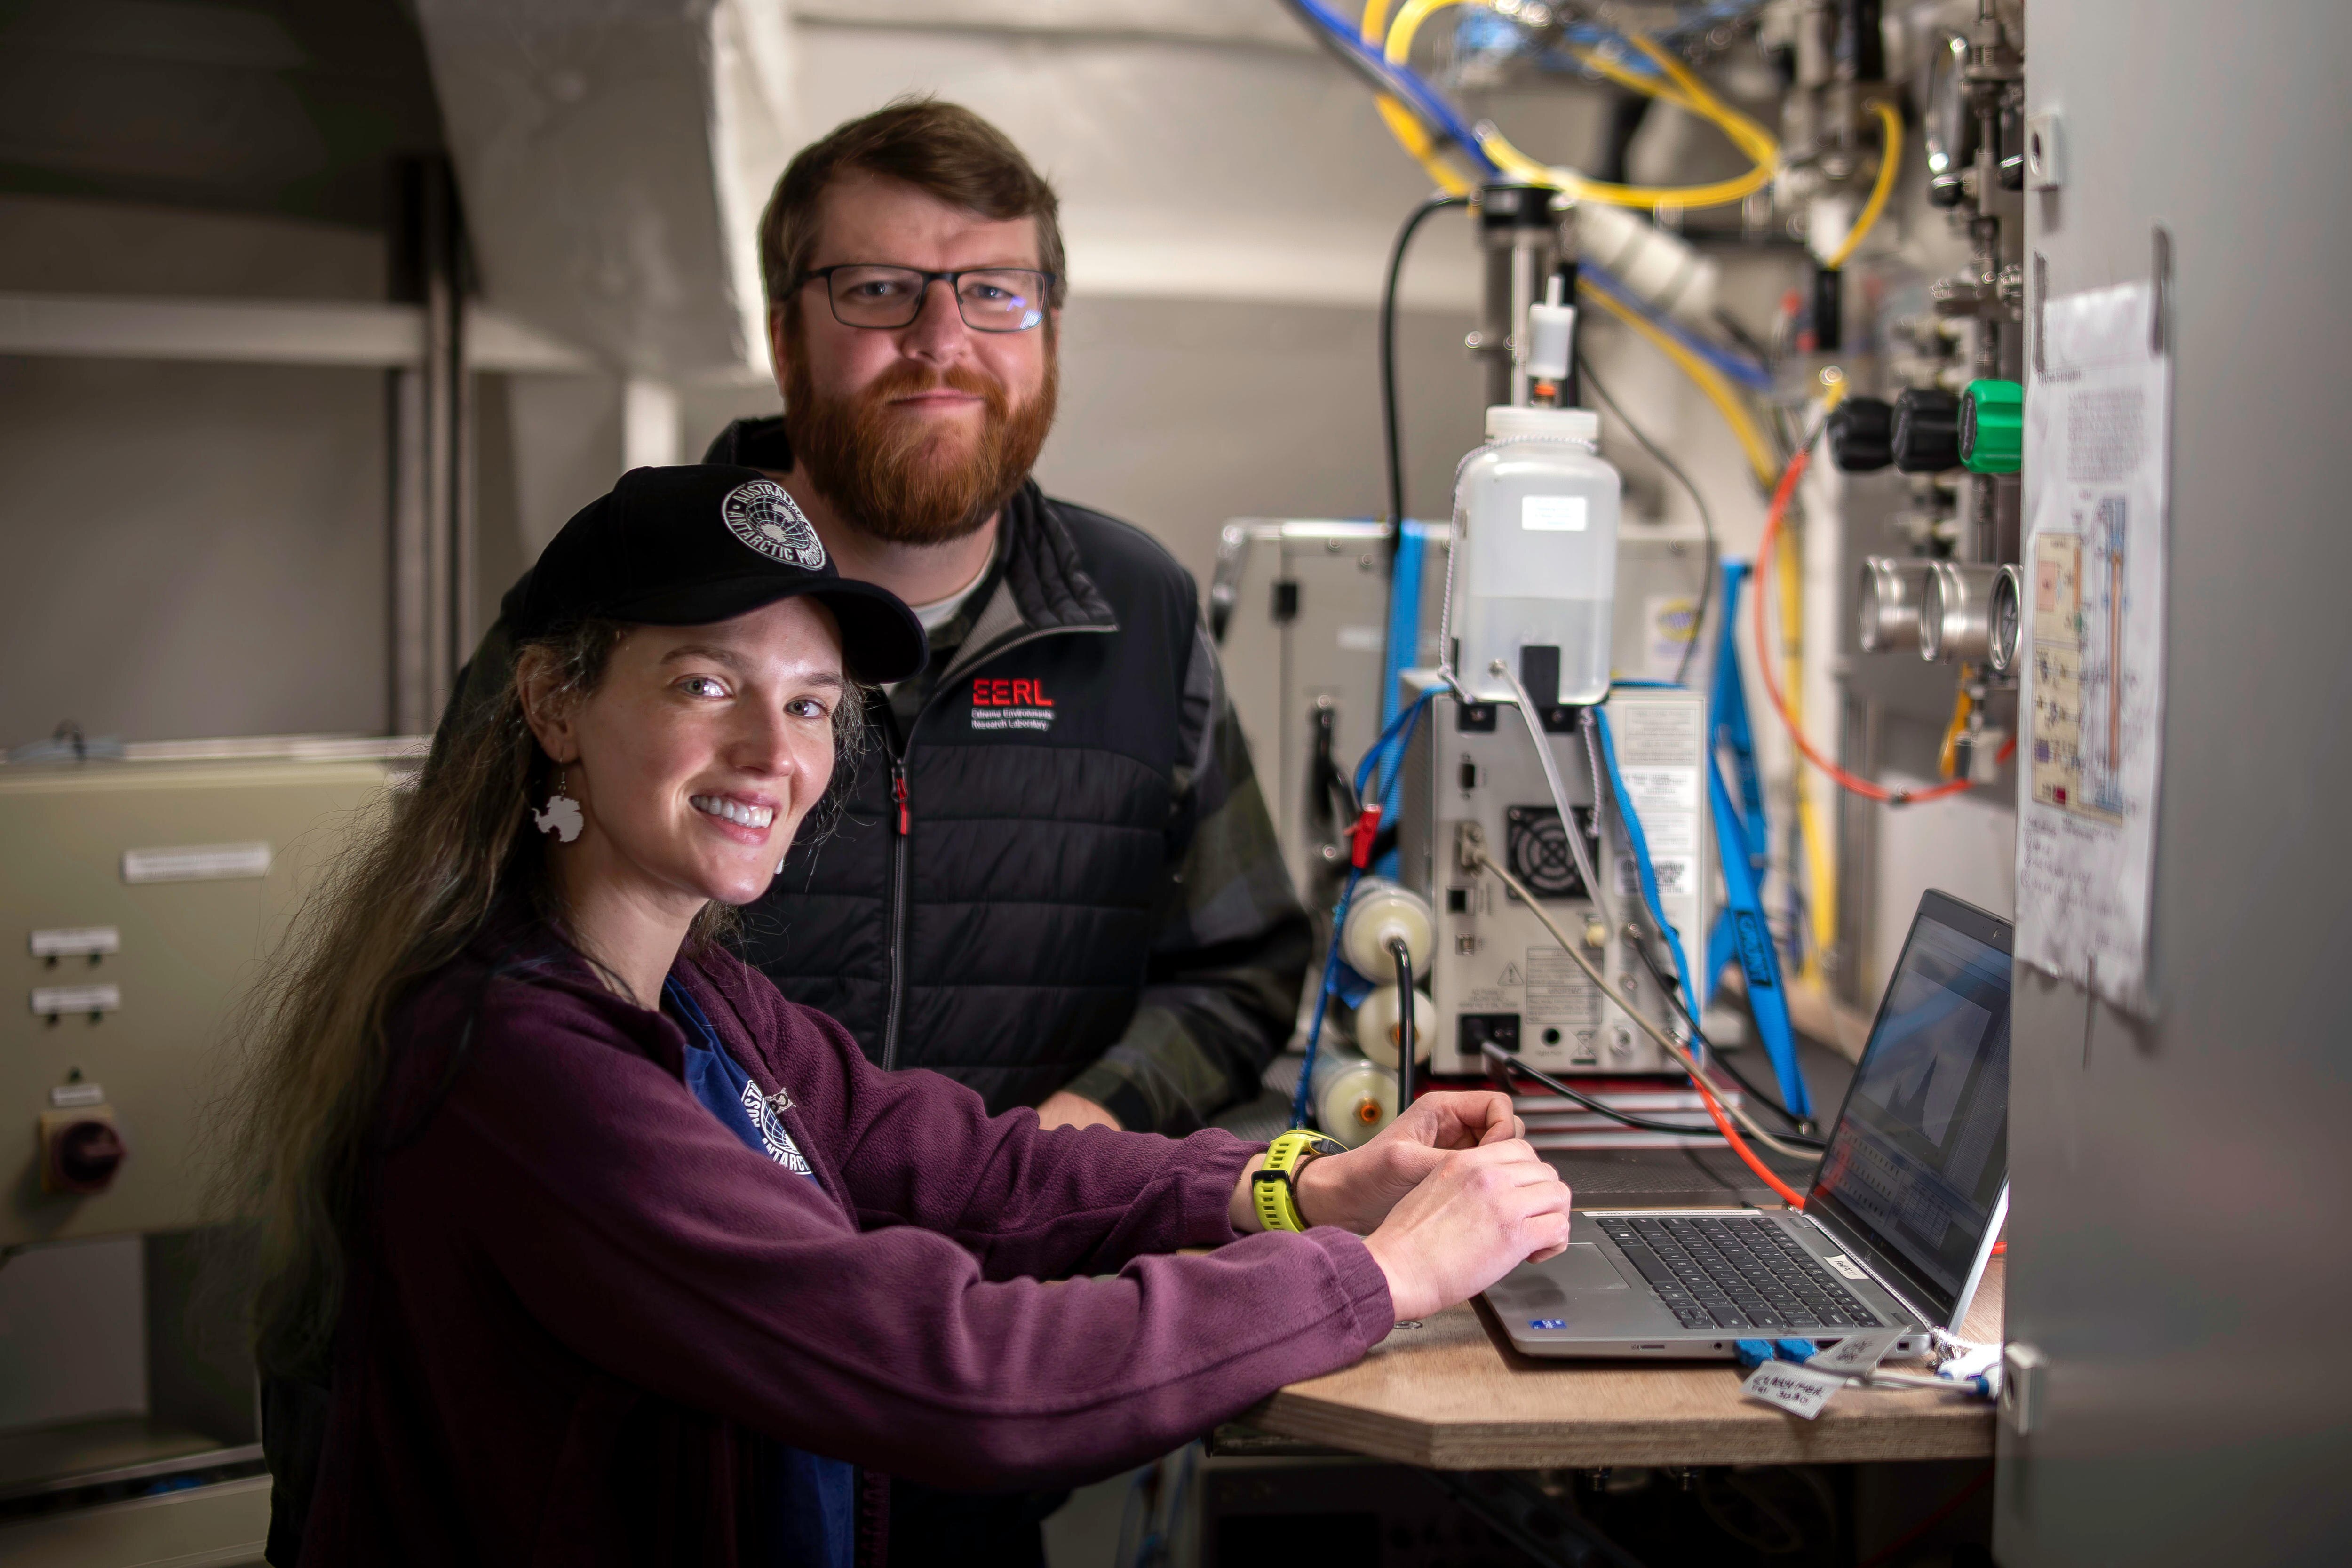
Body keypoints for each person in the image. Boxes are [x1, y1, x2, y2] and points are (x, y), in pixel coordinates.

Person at [239, 465, 1573, 1567]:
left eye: (813, 702)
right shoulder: (526, 1067)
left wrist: (1309, 1185)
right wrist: (1385, 1273)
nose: (777, 751)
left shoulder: (697, 996)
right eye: (707, 682)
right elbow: (961, 1369)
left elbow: (986, 1170)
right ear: (554, 703)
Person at [445, 97, 1306, 1142]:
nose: (941, 343)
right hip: (690, 1264)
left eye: (996, 291)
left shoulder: (1139, 611)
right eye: (878, 291)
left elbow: (1236, 969)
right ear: (784, 333)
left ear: (1050, 329)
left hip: (1027, 1277)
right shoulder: (608, 597)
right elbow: (446, 955)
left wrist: (1063, 1145)